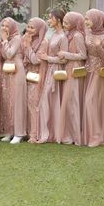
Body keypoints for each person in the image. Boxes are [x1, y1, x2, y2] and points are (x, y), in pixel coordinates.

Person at [82, 9, 104, 147]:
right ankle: (90, 134)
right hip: (87, 72)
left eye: (88, 19)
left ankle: (97, 136)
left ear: (97, 20)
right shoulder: (88, 33)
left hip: (99, 74)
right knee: (90, 103)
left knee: (90, 102)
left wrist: (98, 48)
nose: (86, 22)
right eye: (85, 19)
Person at [38, 9, 68, 143]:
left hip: (56, 70)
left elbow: (63, 60)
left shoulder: (63, 37)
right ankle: (48, 132)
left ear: (58, 20)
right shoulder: (54, 34)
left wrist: (47, 58)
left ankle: (52, 133)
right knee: (47, 100)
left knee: (49, 100)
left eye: (51, 18)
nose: (49, 20)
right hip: (49, 69)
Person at [58, 12, 87, 146]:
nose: (64, 25)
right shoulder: (69, 35)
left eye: (67, 23)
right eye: (63, 22)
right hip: (69, 68)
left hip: (75, 70)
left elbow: (82, 55)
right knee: (69, 102)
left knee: (73, 102)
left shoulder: (77, 35)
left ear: (75, 23)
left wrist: (66, 54)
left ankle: (76, 136)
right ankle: (69, 134)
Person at [0, 17, 27, 144]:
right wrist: (4, 41)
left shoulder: (16, 38)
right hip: (7, 71)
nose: (4, 28)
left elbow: (10, 54)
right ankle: (9, 131)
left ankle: (19, 132)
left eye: (7, 25)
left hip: (17, 70)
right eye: (3, 25)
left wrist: (4, 41)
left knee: (17, 101)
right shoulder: (6, 39)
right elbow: (4, 56)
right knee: (8, 100)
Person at [22, 17, 48, 143]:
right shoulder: (27, 39)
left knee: (34, 105)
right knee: (27, 105)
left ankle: (34, 134)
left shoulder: (43, 42)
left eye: (33, 28)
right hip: (25, 76)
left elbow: (36, 60)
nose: (29, 30)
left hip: (36, 77)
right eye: (28, 27)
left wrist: (27, 47)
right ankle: (27, 131)